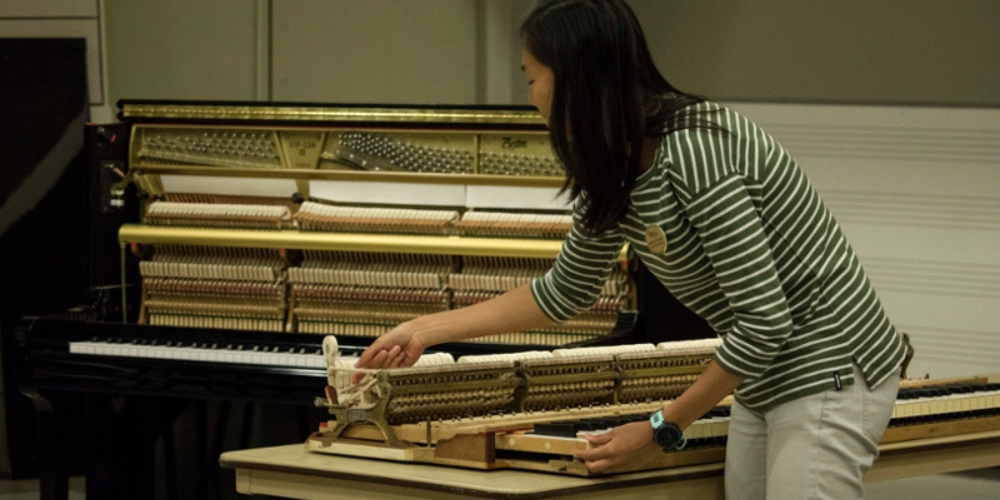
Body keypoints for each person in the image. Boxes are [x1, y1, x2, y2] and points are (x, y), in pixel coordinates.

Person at [355, 1, 907, 498]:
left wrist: (662, 427)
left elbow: (765, 322)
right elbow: (563, 293)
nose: (530, 97)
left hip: (831, 365)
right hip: (763, 374)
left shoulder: (693, 152)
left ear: (572, 77)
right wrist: (424, 331)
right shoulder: (614, 164)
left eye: (531, 77)